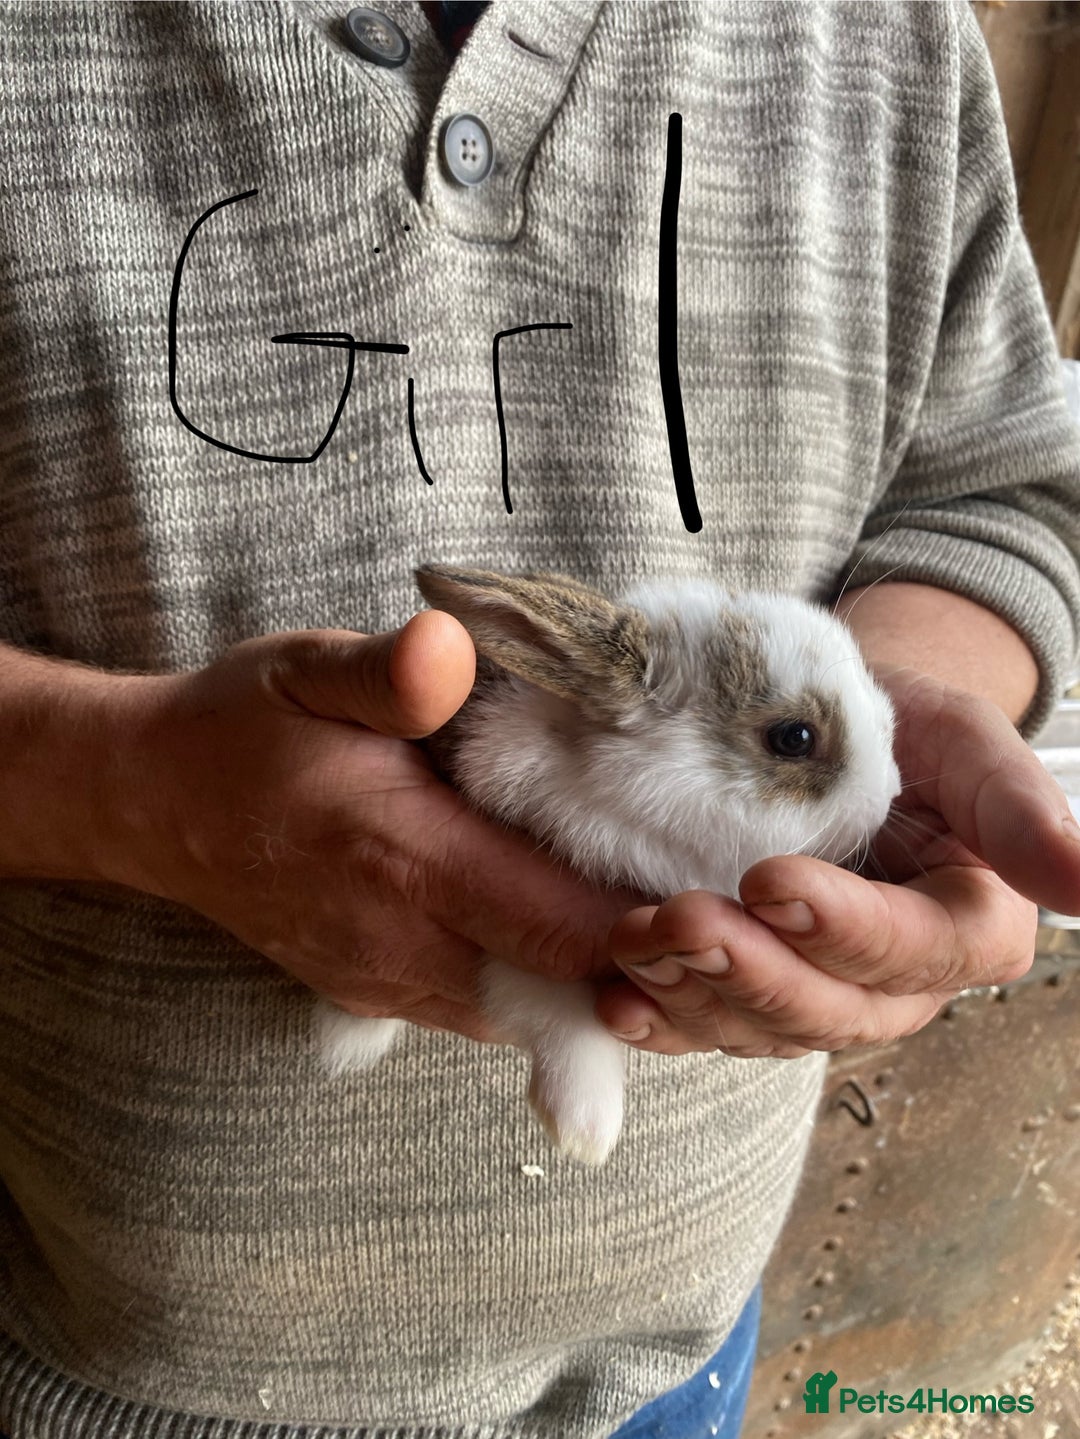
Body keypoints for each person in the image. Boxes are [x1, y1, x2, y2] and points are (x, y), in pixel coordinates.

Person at [0, 2, 1078, 1437]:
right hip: (114, 1368)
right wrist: (132, 789)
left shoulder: (886, 34)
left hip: (671, 1350)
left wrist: (915, 682)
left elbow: (996, 484)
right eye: (804, 748)